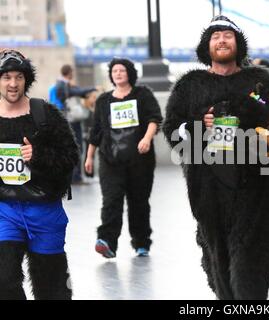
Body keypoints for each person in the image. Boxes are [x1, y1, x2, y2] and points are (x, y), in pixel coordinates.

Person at [163, 15, 269, 300]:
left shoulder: (259, 81)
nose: (221, 40)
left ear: (238, 44)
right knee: (217, 261)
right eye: (215, 35)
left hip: (255, 183)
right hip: (208, 186)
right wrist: (198, 124)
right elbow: (172, 130)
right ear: (206, 45)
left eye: (228, 35)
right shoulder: (188, 86)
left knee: (253, 258)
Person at [0, 49, 78, 299]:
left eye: (19, 77)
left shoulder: (44, 114)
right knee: (4, 279)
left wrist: (38, 156)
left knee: (52, 287)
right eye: (6, 77)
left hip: (45, 210)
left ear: (27, 80)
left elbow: (69, 157)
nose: (13, 84)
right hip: (5, 211)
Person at [85, 58, 162, 258]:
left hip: (140, 160)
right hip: (110, 160)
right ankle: (107, 241)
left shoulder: (142, 94)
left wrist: (146, 138)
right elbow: (96, 130)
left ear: (129, 73)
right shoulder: (103, 100)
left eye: (122, 70)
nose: (118, 73)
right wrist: (89, 157)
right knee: (111, 200)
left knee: (139, 202)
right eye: (114, 71)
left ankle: (141, 242)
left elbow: (155, 118)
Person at [55, 64, 96, 184]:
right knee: (76, 147)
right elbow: (77, 92)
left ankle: (76, 176)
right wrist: (93, 88)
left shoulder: (63, 84)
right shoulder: (62, 85)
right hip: (70, 120)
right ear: (69, 72)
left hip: (70, 120)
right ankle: (75, 177)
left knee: (76, 147)